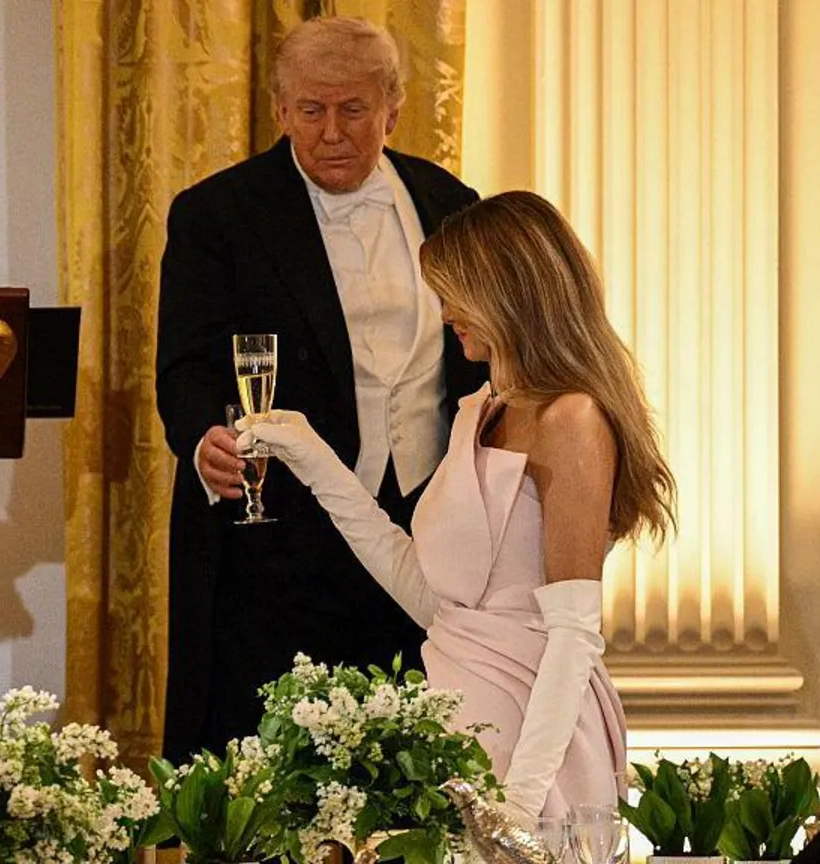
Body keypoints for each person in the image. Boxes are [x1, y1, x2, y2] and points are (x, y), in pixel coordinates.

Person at [240, 190, 676, 819]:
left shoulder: (572, 418)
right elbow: (430, 598)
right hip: (452, 744)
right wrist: (313, 460)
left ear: (508, 292)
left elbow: (575, 633)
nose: (444, 313)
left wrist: (519, 804)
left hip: (534, 750)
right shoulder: (476, 412)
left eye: (454, 295)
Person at [155, 15, 487, 764]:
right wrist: (204, 436)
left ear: (393, 110)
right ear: (281, 111)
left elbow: (484, 361)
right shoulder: (219, 214)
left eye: (353, 109)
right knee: (276, 768)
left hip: (422, 529)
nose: (331, 131)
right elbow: (185, 367)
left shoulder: (451, 203)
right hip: (279, 544)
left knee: (410, 764)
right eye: (311, 110)